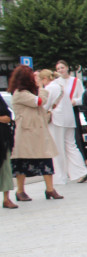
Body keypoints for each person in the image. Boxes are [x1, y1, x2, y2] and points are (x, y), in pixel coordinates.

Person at [8, 65, 62, 201]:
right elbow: (39, 102)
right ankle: (20, 191)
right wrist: (41, 88)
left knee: (46, 159)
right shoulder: (20, 94)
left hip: (38, 131)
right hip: (26, 133)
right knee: (22, 162)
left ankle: (50, 189)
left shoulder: (29, 92)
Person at [50, 60, 87, 184]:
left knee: (73, 141)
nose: (60, 70)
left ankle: (78, 171)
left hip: (71, 111)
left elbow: (82, 96)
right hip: (60, 113)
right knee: (68, 144)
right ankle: (75, 171)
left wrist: (75, 101)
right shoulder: (56, 83)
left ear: (67, 68)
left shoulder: (75, 81)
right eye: (58, 68)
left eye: (62, 67)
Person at [0, 90, 15, 208]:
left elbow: (8, 116)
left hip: (3, 138)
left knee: (6, 168)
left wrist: (6, 118)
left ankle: (6, 199)